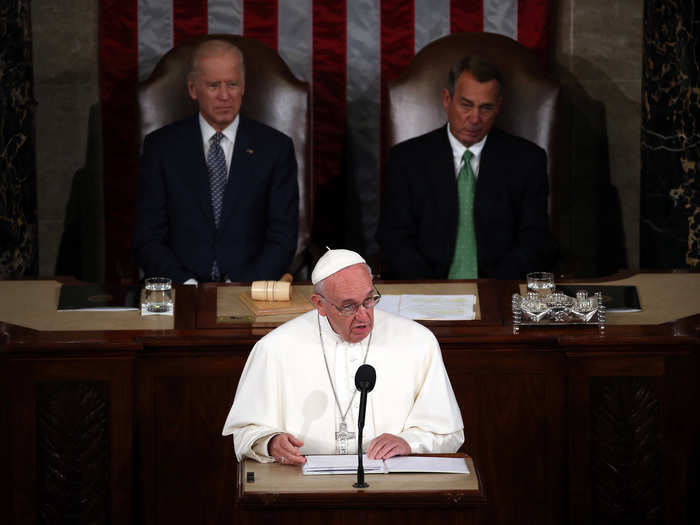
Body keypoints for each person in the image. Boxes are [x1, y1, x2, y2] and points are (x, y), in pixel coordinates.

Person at [222, 248, 464, 464]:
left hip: (391, 486)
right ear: (319, 304)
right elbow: (244, 432)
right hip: (305, 488)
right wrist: (271, 442)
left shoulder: (417, 341)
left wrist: (409, 442)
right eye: (348, 306)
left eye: (369, 300)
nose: (364, 316)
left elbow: (449, 433)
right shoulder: (275, 348)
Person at [376, 55, 558, 280]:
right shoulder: (406, 160)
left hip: (499, 289)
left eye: (486, 108)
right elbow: (394, 239)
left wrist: (493, 288)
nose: (474, 119)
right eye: (466, 105)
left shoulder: (527, 160)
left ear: (498, 107)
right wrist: (431, 292)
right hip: (426, 289)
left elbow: (535, 240)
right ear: (446, 99)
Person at [133, 39, 299, 284]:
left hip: (249, 290)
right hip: (181, 290)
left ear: (243, 87)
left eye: (232, 84)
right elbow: (148, 237)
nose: (224, 96)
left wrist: (242, 286)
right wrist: (185, 284)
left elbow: (283, 237)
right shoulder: (161, 148)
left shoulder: (276, 148)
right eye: (213, 85)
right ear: (192, 89)